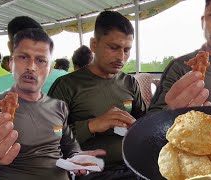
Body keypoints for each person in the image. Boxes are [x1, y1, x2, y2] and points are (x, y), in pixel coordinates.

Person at [0, 28, 105, 180]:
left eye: (40, 60)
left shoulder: (58, 106)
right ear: (11, 63)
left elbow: (68, 143)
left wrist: (76, 157)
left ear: (50, 68)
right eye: (23, 57)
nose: (31, 67)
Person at [48, 11, 146, 180]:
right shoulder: (67, 86)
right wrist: (92, 125)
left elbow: (143, 120)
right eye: (113, 47)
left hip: (133, 166)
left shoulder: (129, 82)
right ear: (94, 44)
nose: (121, 57)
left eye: (127, 50)